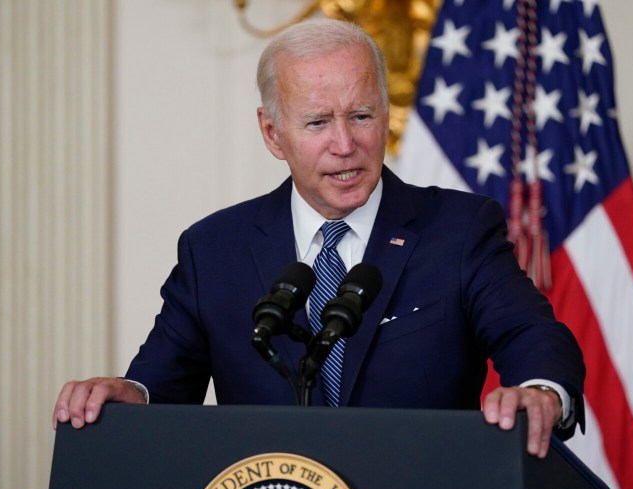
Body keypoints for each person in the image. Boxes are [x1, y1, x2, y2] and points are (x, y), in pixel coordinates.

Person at [53, 18, 585, 459]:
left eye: (360, 115)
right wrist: (128, 395)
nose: (345, 144)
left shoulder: (459, 230)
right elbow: (160, 386)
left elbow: (532, 336)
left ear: (384, 112)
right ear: (272, 133)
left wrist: (541, 391)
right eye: (317, 123)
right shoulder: (214, 250)